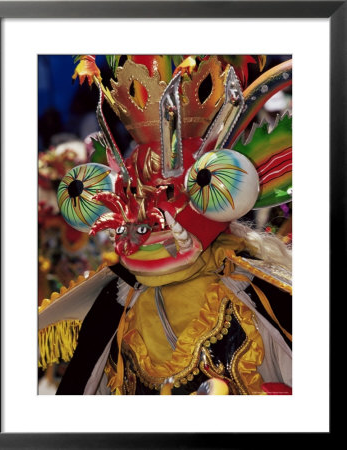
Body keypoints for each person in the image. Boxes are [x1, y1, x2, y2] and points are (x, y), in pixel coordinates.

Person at [39, 55, 292, 395]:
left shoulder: (262, 296)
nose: (144, 215)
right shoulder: (115, 303)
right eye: (132, 192)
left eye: (166, 192)